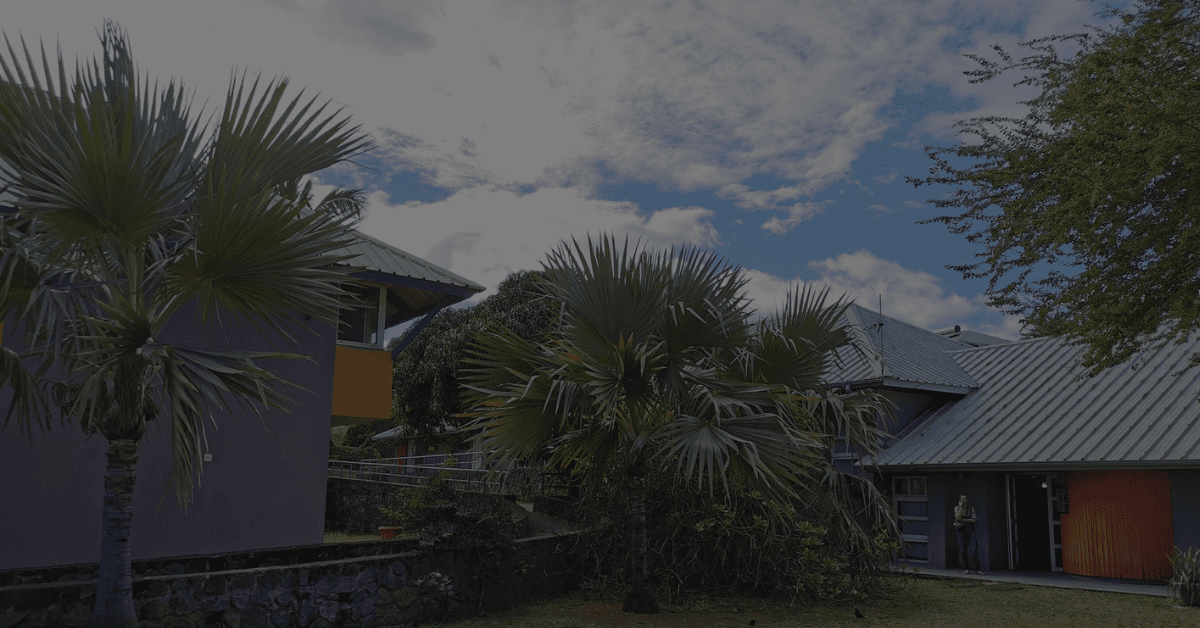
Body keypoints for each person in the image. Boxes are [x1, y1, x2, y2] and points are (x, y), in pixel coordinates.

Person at [954, 495, 984, 574]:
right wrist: (961, 508)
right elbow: (958, 518)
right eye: (962, 499)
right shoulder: (957, 508)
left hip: (970, 530)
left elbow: (974, 520)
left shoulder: (971, 508)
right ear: (960, 501)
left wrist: (963, 520)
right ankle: (966, 568)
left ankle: (977, 569)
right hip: (961, 531)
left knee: (974, 549)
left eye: (966, 499)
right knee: (963, 550)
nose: (964, 501)